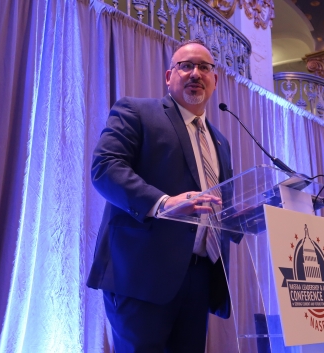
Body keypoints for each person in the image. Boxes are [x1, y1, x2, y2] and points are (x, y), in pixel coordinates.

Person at [88, 39, 238, 353]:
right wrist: (163, 203)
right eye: (186, 65)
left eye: (204, 67)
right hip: (141, 274)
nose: (195, 73)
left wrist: (245, 214)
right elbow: (105, 168)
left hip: (200, 275)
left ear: (215, 80)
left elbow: (223, 202)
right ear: (169, 76)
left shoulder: (221, 141)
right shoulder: (137, 111)